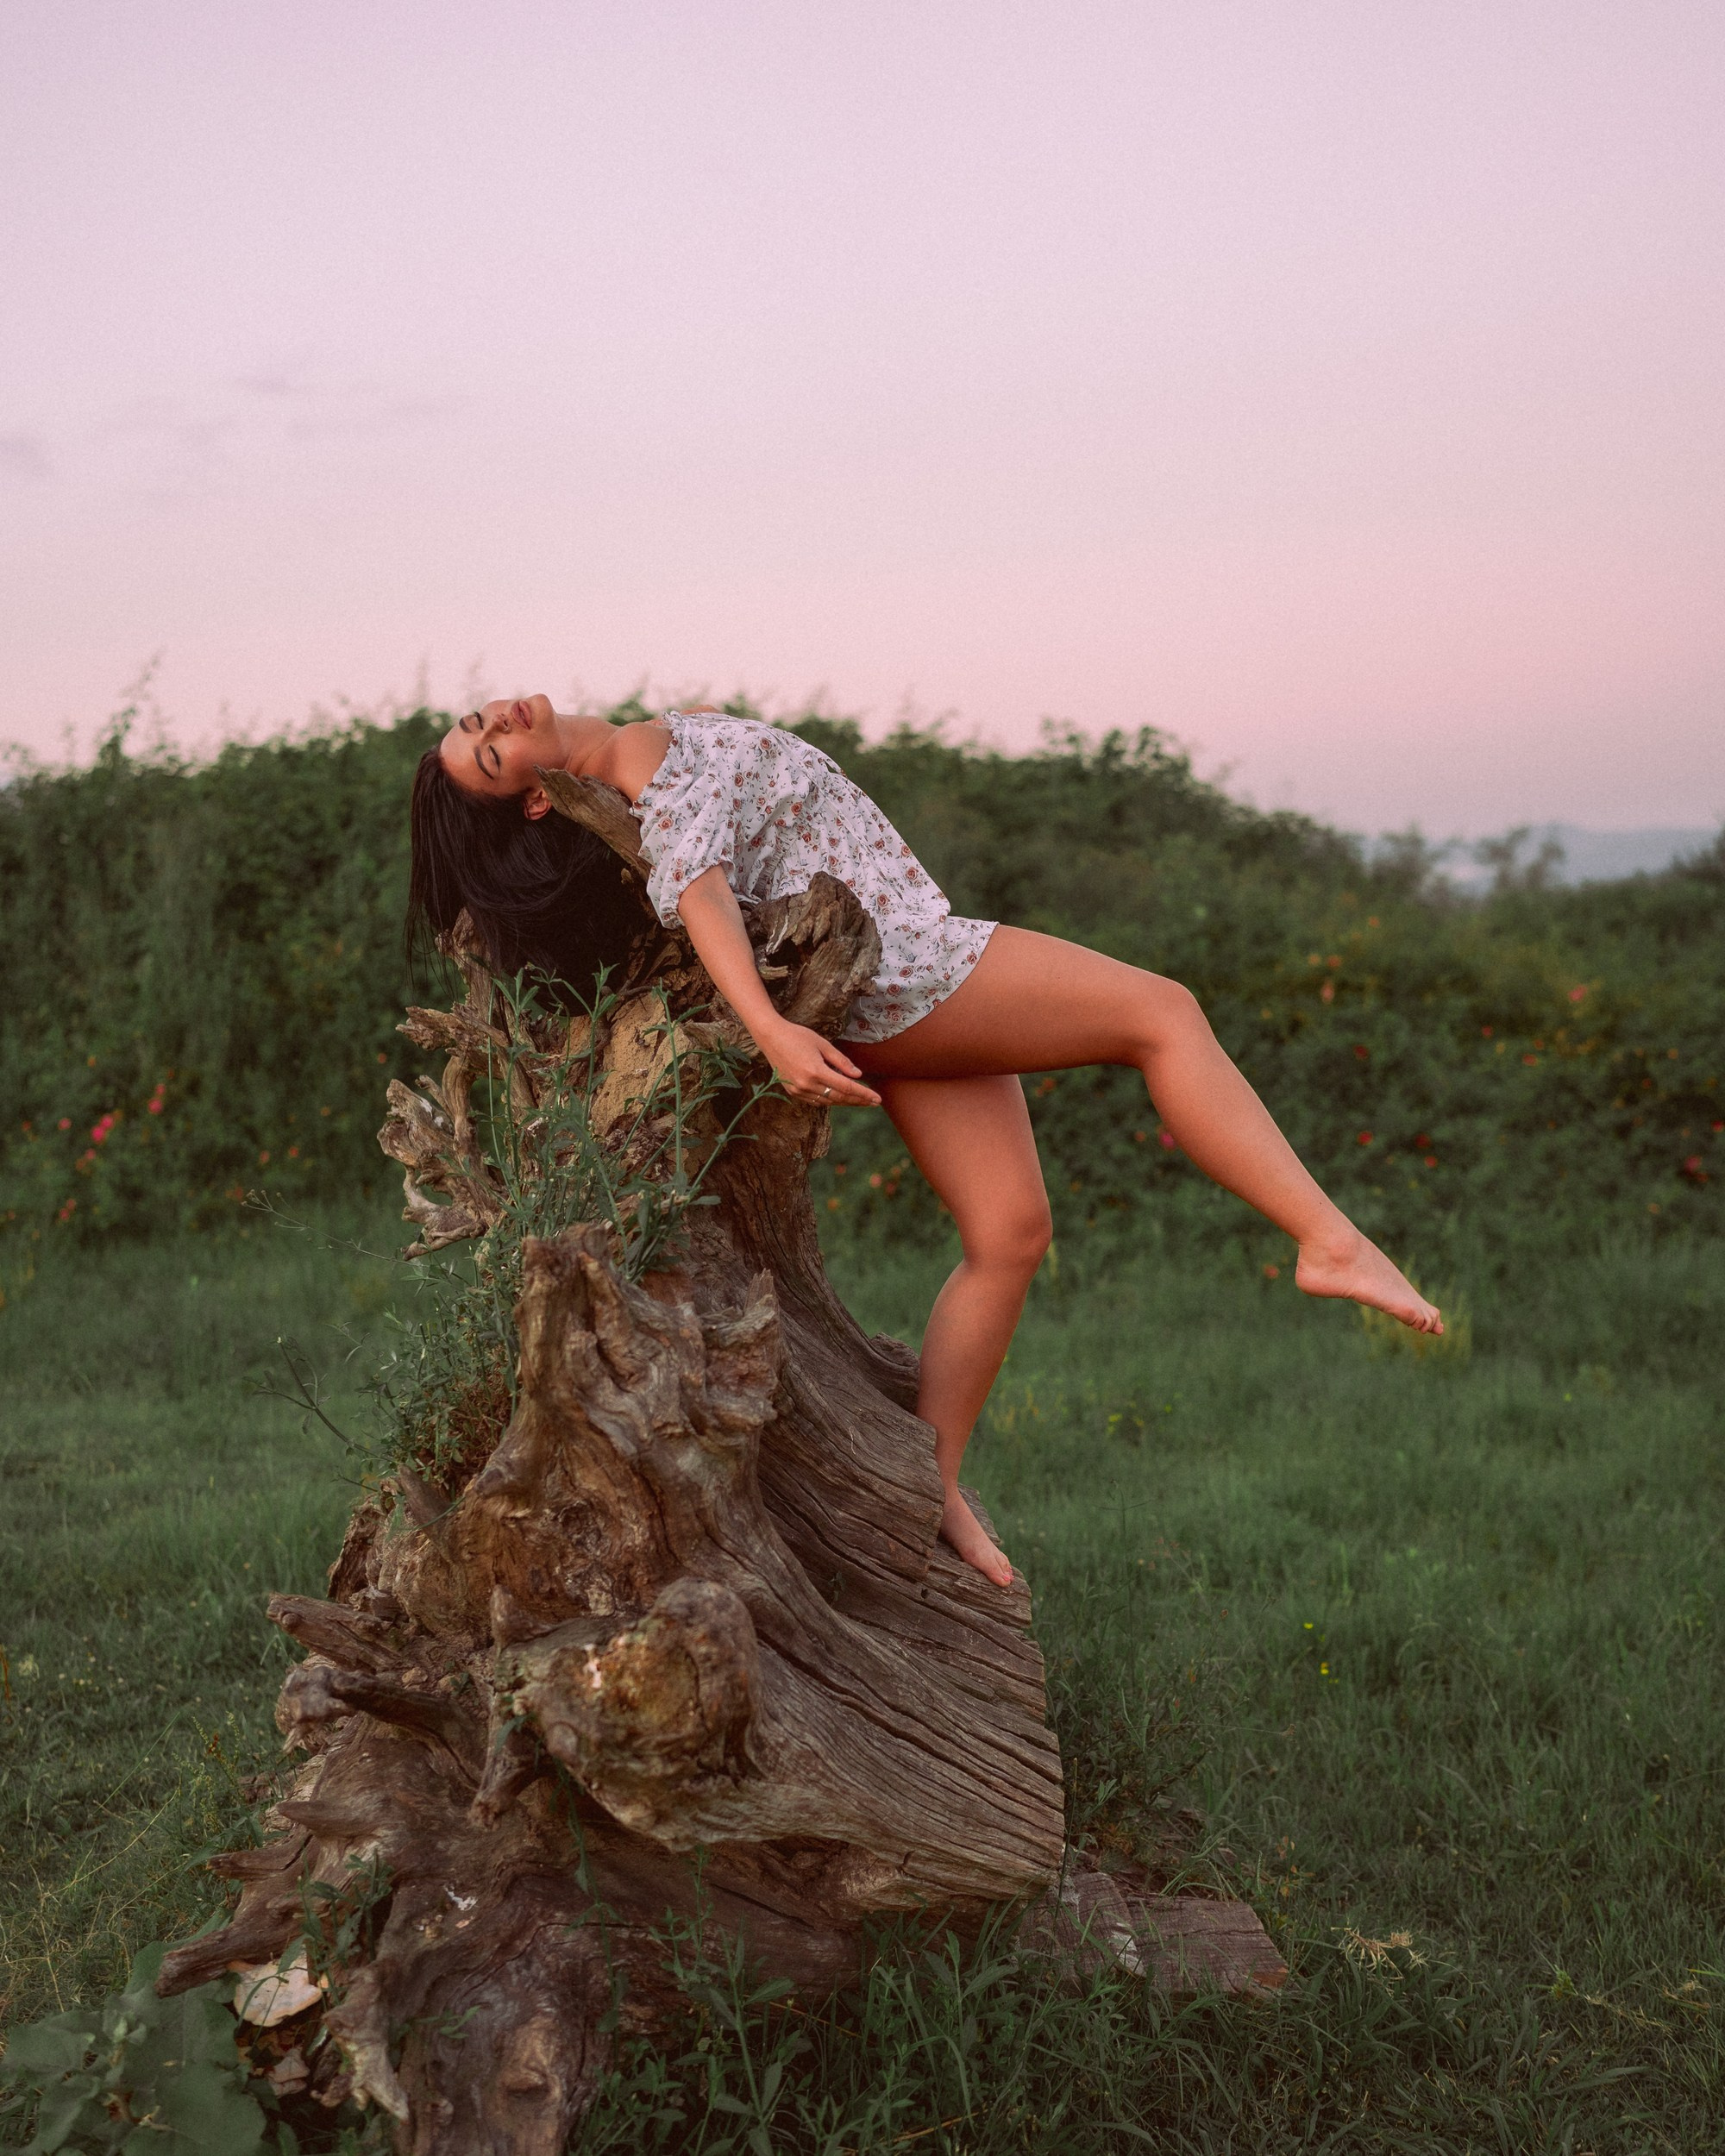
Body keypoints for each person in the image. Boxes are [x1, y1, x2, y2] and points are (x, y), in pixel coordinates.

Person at [409, 695, 1441, 1586]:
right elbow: (698, 892)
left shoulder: (640, 741)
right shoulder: (641, 767)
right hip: (915, 969)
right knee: (1162, 1014)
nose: (496, 718)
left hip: (903, 960)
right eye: (490, 752)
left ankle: (930, 1486)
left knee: (1009, 1233)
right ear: (536, 798)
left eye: (476, 721)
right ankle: (1323, 1238)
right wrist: (771, 1031)